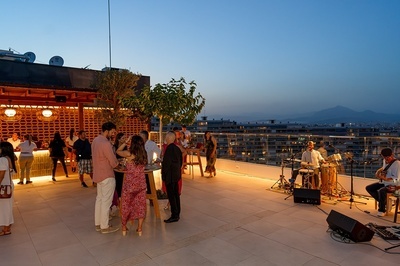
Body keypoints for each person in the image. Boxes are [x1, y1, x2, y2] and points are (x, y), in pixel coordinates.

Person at [116, 135, 148, 236]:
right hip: (141, 184)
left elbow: (117, 151)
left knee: (126, 205)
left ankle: (124, 227)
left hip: (129, 184)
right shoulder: (144, 154)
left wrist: (125, 143)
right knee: (141, 206)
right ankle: (139, 228)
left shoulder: (129, 154)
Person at [92, 122, 119, 234]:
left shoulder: (95, 141)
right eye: (113, 131)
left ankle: (98, 224)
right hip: (107, 175)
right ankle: (105, 226)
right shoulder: (105, 143)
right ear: (107, 130)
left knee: (99, 200)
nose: (113, 134)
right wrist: (118, 163)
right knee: (106, 202)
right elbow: (113, 161)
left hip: (98, 174)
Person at [366, 148, 400, 217]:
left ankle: (382, 210)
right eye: (384, 157)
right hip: (384, 182)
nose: (386, 159)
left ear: (392, 155)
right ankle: (385, 203)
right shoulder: (385, 161)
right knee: (369, 188)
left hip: (395, 185)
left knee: (382, 191)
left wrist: (386, 179)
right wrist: (380, 173)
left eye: (388, 157)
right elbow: (384, 168)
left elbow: (397, 179)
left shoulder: (397, 164)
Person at [162, 132, 183, 223]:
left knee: (172, 196)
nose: (165, 139)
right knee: (176, 195)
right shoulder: (177, 148)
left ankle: (174, 215)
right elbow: (181, 161)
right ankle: (177, 213)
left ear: (169, 138)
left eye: (166, 137)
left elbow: (166, 164)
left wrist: (163, 176)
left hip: (170, 177)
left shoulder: (169, 149)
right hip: (176, 175)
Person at [0, 141, 17, 236]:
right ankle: (7, 227)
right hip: (8, 186)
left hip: (3, 187)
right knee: (8, 207)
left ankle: (6, 229)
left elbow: (1, 176)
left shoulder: (3, 159)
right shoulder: (9, 158)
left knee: (4, 208)